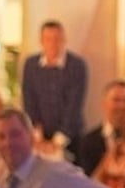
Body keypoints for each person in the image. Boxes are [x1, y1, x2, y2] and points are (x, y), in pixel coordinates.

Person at [22, 19, 88, 163]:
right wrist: (37, 136)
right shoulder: (31, 65)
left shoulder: (77, 66)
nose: (53, 44)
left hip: (70, 137)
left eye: (57, 39)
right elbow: (29, 99)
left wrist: (57, 141)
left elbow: (74, 104)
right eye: (48, 39)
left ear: (64, 40)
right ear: (41, 41)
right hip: (40, 137)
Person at [79, 78, 125, 177]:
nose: (121, 106)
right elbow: (86, 180)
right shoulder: (87, 142)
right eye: (116, 100)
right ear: (104, 104)